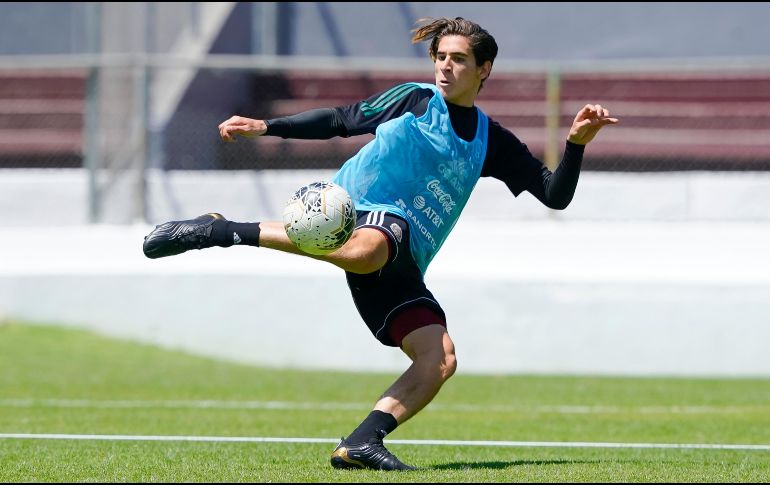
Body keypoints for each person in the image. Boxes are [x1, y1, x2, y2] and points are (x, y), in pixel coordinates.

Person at [143, 17, 618, 471]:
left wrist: (576, 143)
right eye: (440, 57)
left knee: (440, 358)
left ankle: (361, 442)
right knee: (370, 250)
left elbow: (554, 195)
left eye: (457, 59)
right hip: (361, 212)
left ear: (483, 69)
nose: (445, 67)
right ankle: (222, 231)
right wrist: (269, 127)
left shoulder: (490, 140)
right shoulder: (415, 100)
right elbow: (341, 119)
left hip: (407, 257)